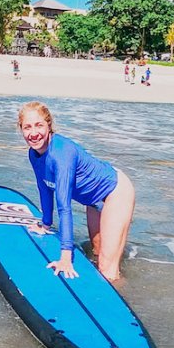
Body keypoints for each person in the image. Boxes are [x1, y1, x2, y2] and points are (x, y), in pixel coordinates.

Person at [18, 101, 136, 282]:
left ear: (49, 125)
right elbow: (44, 187)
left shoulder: (61, 153)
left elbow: (64, 207)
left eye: (39, 125)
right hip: (93, 201)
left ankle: (117, 303)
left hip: (115, 191)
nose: (33, 133)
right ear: (21, 130)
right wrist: (45, 224)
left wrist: (66, 257)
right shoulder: (34, 154)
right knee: (96, 252)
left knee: (107, 268)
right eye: (27, 127)